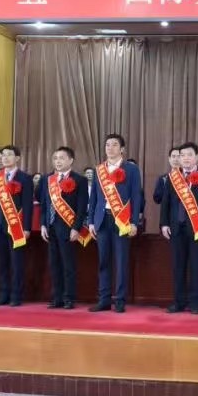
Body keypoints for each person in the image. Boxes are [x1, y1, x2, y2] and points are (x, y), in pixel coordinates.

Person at [159, 142, 198, 314]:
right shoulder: (173, 177)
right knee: (178, 266)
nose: (185, 158)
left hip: (197, 228)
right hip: (176, 228)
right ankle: (178, 302)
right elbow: (166, 203)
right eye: (182, 155)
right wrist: (164, 224)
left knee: (196, 267)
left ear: (196, 157)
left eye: (189, 155)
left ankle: (195, 303)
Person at [88, 134, 143, 313]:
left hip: (122, 220)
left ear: (122, 149)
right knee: (103, 261)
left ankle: (119, 300)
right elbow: (94, 198)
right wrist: (91, 222)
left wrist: (134, 222)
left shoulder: (131, 169)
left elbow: (136, 196)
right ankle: (104, 299)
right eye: (107, 145)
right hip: (102, 219)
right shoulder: (99, 170)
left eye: (114, 145)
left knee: (121, 261)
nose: (110, 148)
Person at [37, 146, 90, 309]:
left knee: (68, 265)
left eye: (61, 158)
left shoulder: (79, 180)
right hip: (51, 227)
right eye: (55, 158)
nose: (58, 161)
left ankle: (69, 298)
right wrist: (43, 224)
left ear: (71, 160)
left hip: (68, 227)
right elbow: (44, 205)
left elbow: (82, 207)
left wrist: (76, 228)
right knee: (54, 264)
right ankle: (56, 297)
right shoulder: (47, 179)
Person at [0, 145, 34, 307]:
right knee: (2, 263)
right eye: (3, 155)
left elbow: (27, 205)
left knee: (16, 263)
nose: (5, 158)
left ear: (17, 158)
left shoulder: (24, 178)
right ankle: (3, 294)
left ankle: (16, 295)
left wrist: (26, 227)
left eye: (9, 155)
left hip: (16, 225)